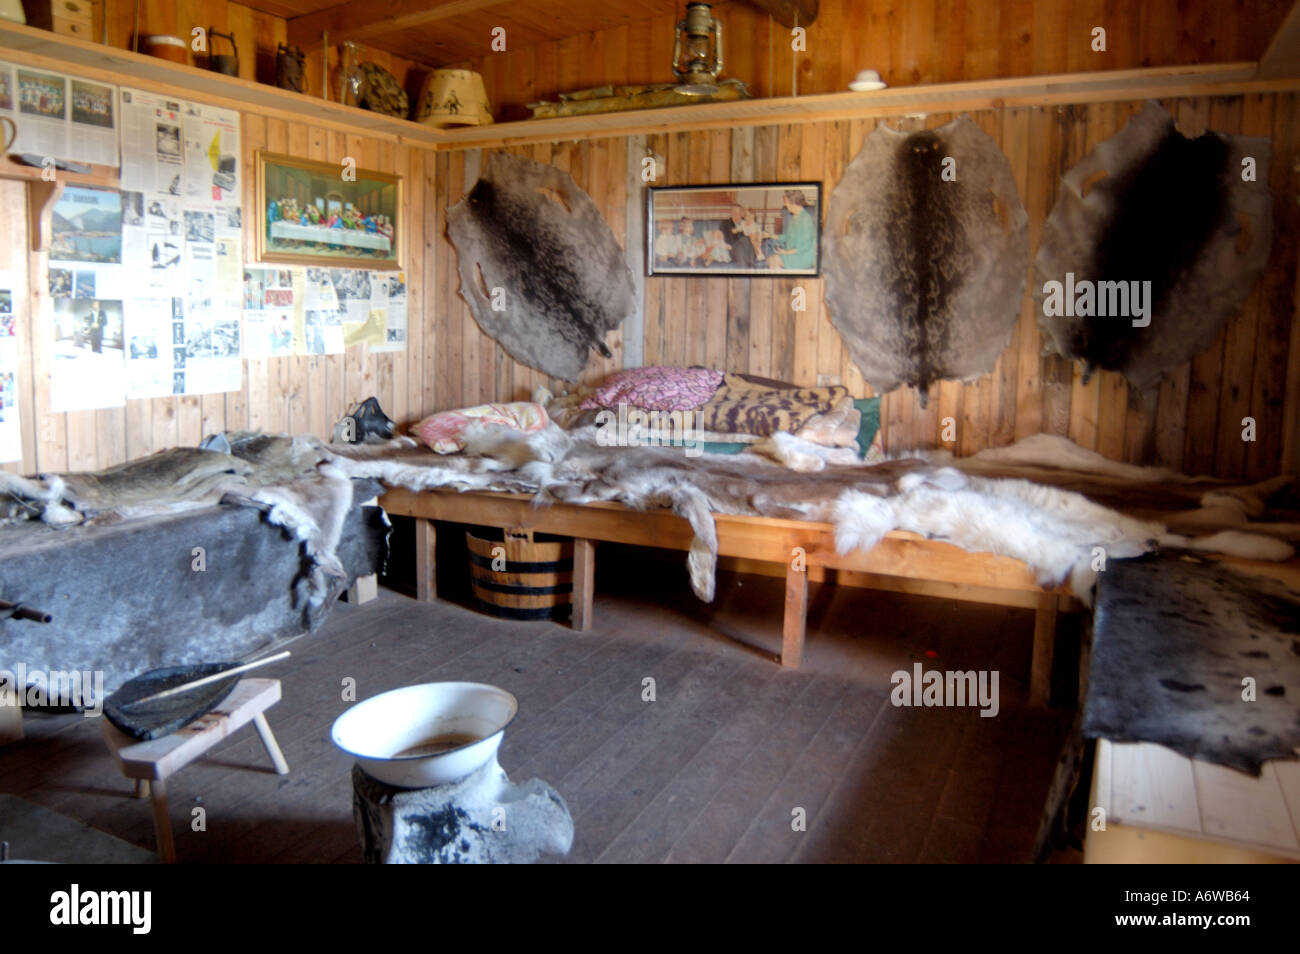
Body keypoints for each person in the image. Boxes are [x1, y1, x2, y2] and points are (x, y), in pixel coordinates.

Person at [768, 190, 816, 270]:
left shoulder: (806, 219)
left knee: (775, 260)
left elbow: (805, 247)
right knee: (770, 259)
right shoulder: (794, 218)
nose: (785, 205)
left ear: (793, 203)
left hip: (803, 255)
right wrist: (770, 235)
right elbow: (787, 236)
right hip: (793, 252)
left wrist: (786, 252)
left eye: (786, 203)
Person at [723, 204, 758, 268]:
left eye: (738, 212)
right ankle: (751, 263)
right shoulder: (725, 223)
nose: (736, 215)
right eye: (734, 212)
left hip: (747, 249)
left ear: (742, 214)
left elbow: (756, 231)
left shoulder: (747, 221)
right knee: (741, 244)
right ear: (730, 213)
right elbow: (721, 238)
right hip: (733, 248)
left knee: (743, 244)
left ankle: (745, 271)